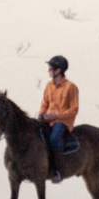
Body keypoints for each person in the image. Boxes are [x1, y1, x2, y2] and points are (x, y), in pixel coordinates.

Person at [38, 55, 78, 183]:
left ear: (59, 70)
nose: (48, 70)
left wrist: (56, 116)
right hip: (47, 119)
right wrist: (41, 113)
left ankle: (58, 171)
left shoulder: (71, 87)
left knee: (54, 139)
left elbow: (73, 110)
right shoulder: (49, 85)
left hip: (62, 121)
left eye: (51, 68)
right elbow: (45, 102)